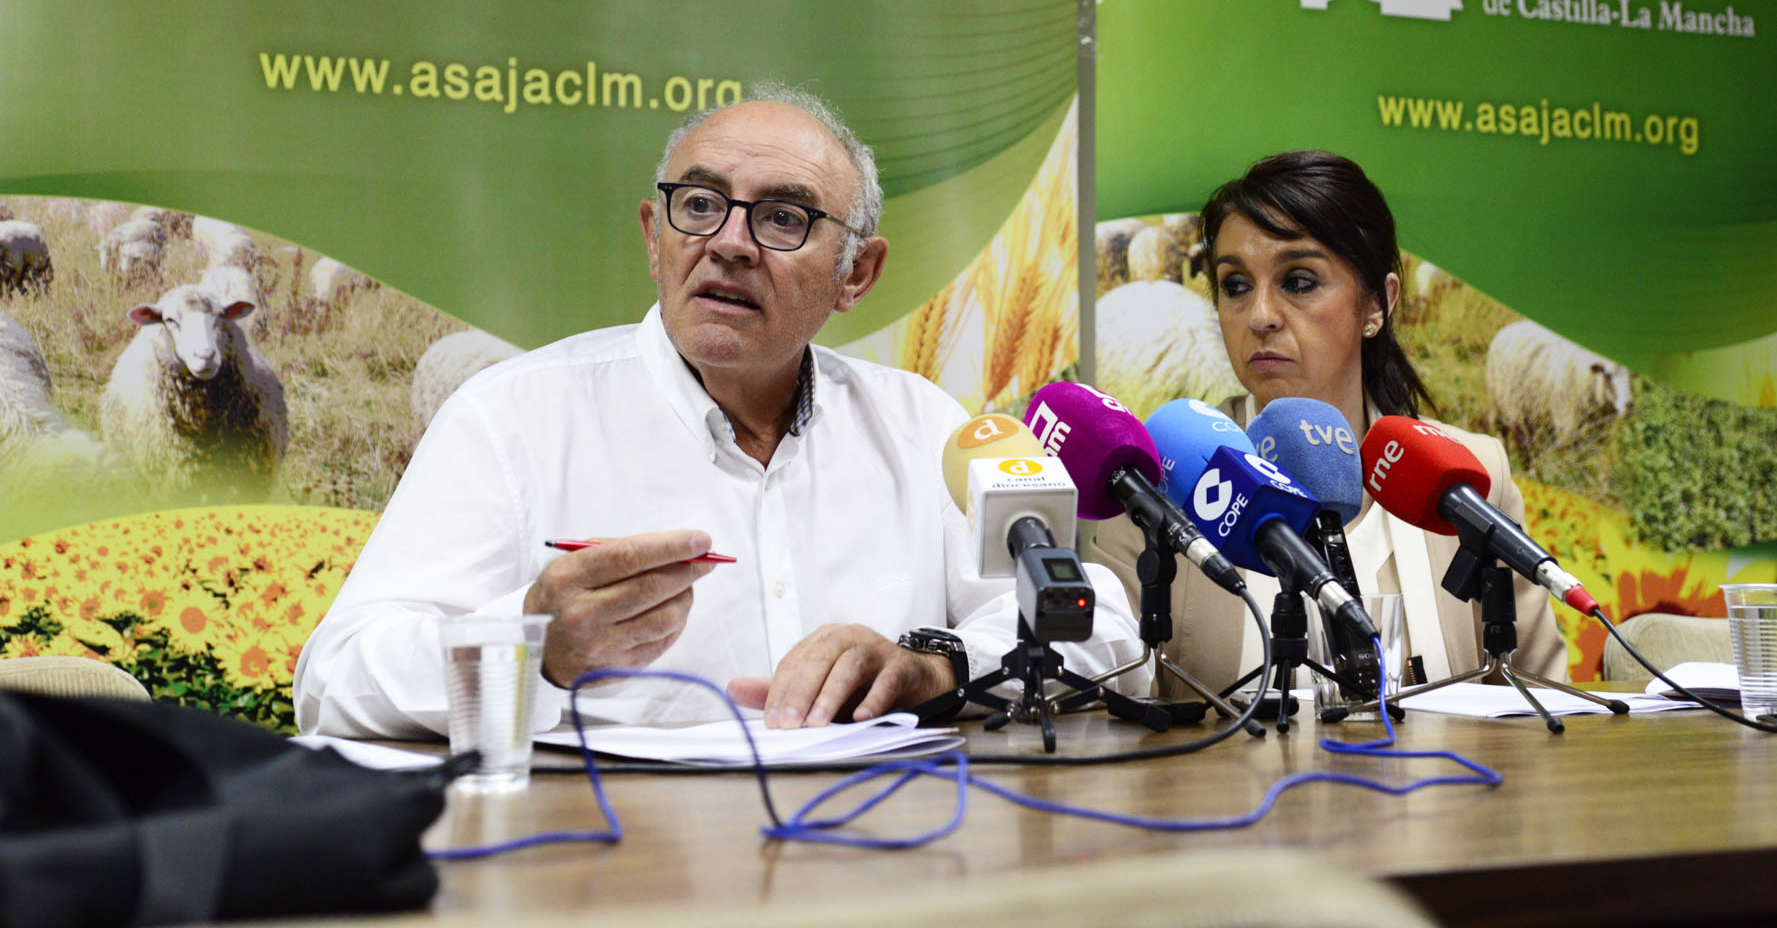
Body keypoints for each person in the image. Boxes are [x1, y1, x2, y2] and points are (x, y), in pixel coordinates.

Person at [294, 86, 1146, 737]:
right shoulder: (512, 419)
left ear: (858, 274)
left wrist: (935, 666)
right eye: (698, 206)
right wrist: (532, 648)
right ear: (654, 236)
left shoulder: (919, 423)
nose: (729, 241)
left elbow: (1099, 622)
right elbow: (332, 683)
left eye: (783, 217)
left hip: (882, 861)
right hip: (605, 874)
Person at [1093, 150, 1564, 697]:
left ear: (1376, 306)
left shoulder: (1471, 476)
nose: (1261, 315)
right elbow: (1108, 708)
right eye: (1236, 285)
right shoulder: (1159, 479)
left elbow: (1543, 707)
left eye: (1298, 281)